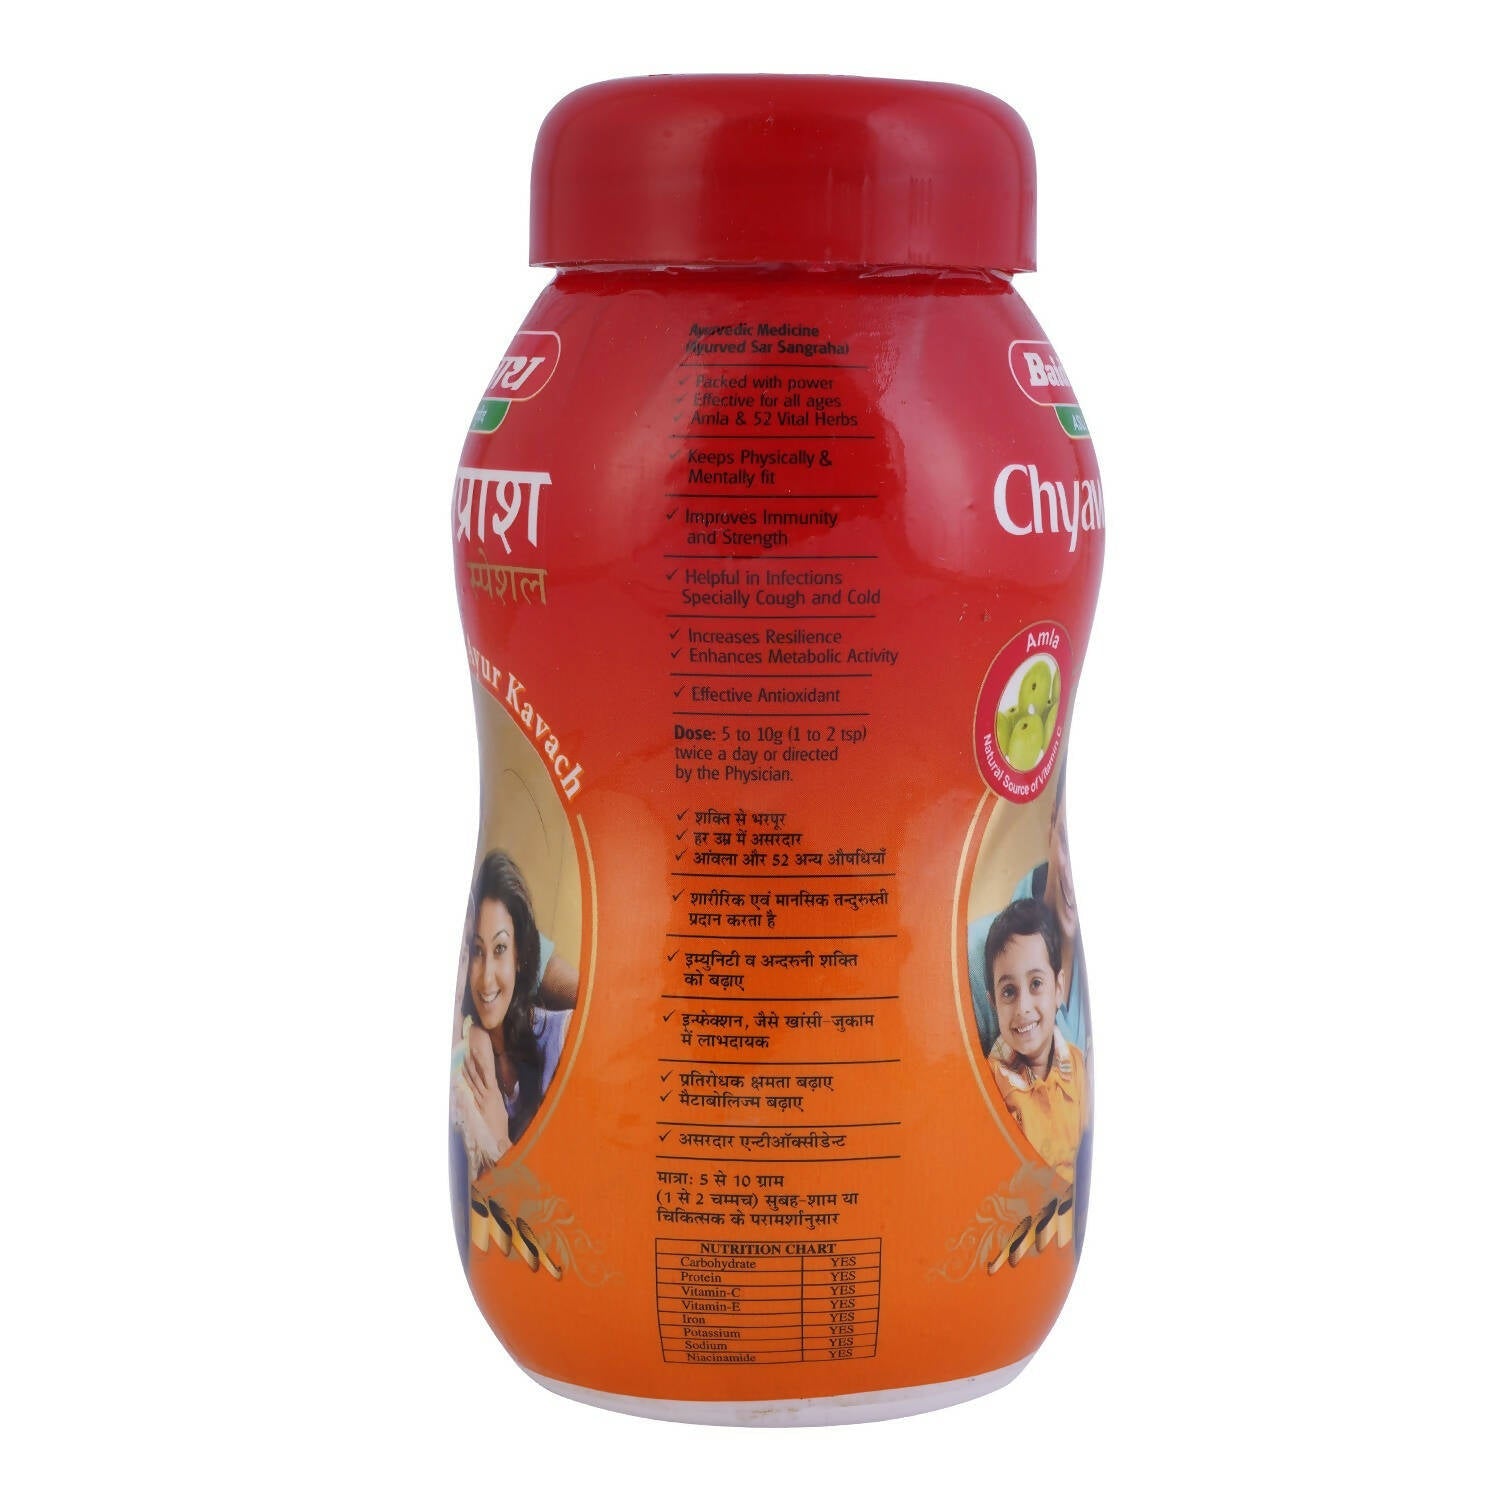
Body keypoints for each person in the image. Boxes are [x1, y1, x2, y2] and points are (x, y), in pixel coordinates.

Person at [451, 851, 572, 1179]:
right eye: (476, 951)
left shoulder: (563, 1037)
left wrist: (501, 1140)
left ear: (520, 955)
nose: (486, 978)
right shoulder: (471, 1053)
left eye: (500, 948)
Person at [983, 898, 1088, 1190]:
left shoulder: (1077, 1067)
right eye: (1009, 991)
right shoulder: (991, 1084)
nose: (1023, 1007)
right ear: (993, 1003)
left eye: (1036, 984)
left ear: (1058, 988)